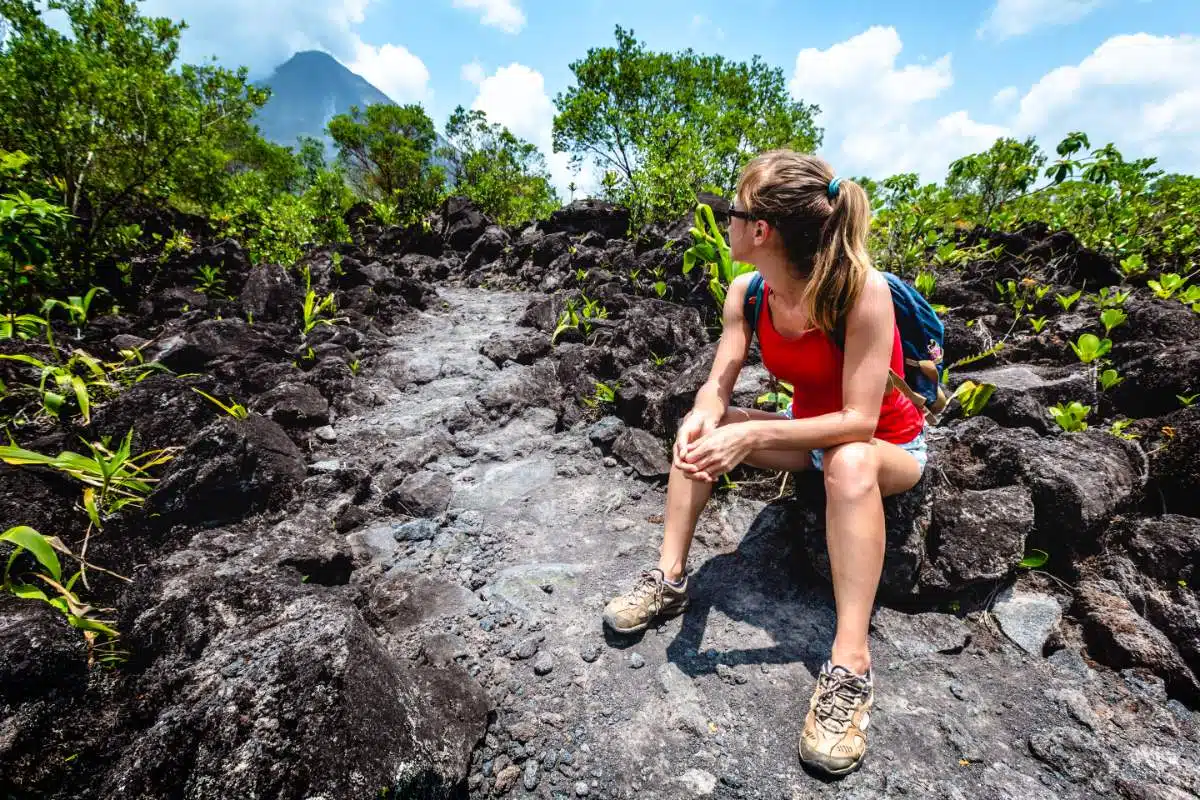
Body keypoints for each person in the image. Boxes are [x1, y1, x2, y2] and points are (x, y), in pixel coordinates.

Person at [600, 149, 928, 777]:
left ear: (762, 231)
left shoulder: (861, 293)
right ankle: (668, 580)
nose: (725, 219)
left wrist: (750, 442)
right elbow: (719, 382)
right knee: (703, 432)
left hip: (885, 448)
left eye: (734, 210)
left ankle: (850, 664)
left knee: (848, 465)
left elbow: (859, 421)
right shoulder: (748, 293)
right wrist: (705, 414)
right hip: (812, 436)